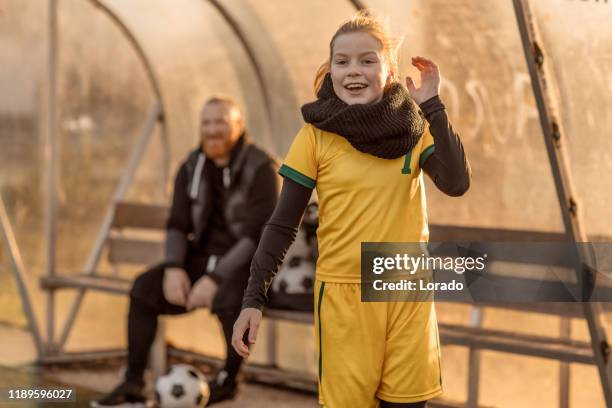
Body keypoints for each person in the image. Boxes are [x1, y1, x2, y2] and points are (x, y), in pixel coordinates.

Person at [232, 10, 471, 408]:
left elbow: (456, 183)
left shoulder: (415, 126)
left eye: (367, 59)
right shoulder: (315, 137)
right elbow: (281, 225)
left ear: (389, 70)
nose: (353, 70)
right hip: (344, 295)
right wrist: (253, 299)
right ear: (330, 71)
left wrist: (433, 107)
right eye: (341, 62)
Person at [92, 97, 279, 407]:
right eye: (206, 123)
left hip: (248, 263)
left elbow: (256, 235)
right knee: (143, 289)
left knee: (231, 297)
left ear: (239, 126)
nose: (212, 130)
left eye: (221, 121)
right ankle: (133, 383)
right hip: (201, 258)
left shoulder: (261, 167)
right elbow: (177, 223)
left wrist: (215, 279)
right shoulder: (192, 166)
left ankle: (228, 380)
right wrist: (174, 267)